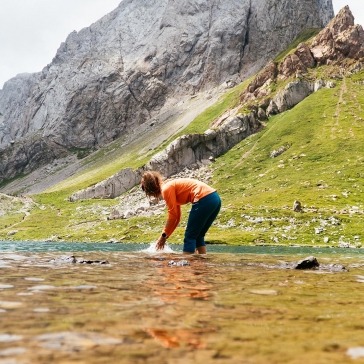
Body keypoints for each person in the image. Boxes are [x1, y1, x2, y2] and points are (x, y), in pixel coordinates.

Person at [141, 171, 221, 254]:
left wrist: (163, 236)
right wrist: (165, 236)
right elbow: (177, 217)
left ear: (151, 189)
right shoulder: (170, 187)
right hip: (215, 198)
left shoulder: (166, 189)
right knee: (198, 236)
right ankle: (201, 265)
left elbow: (173, 217)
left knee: (190, 237)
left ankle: (186, 265)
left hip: (204, 198)